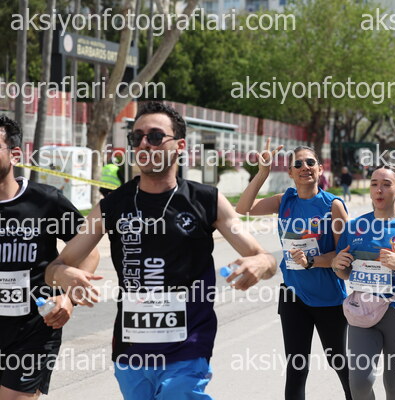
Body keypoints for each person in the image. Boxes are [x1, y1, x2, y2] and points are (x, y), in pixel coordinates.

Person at [44, 102, 277, 400]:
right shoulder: (112, 206)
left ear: (180, 145)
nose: (144, 143)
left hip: (188, 345)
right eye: (137, 137)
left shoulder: (206, 200)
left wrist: (260, 264)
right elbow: (54, 269)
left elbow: (265, 258)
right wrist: (63, 276)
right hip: (130, 349)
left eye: (155, 136)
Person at [236, 143, 351, 400]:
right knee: (296, 368)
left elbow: (344, 257)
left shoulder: (333, 206)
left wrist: (312, 261)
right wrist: (263, 173)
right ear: (290, 172)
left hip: (328, 298)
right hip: (293, 296)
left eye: (310, 162)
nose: (304, 167)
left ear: (320, 169)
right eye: (297, 164)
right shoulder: (284, 200)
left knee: (338, 361)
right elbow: (243, 209)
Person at [0, 115, 99, 399]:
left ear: (15, 154)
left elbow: (89, 252)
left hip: (34, 329)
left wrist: (68, 298)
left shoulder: (45, 201)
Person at [332, 166, 395, 400]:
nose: (379, 189)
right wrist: (338, 264)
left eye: (386, 184)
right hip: (362, 312)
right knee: (359, 383)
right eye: (374, 184)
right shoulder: (354, 227)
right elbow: (344, 274)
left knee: (394, 386)